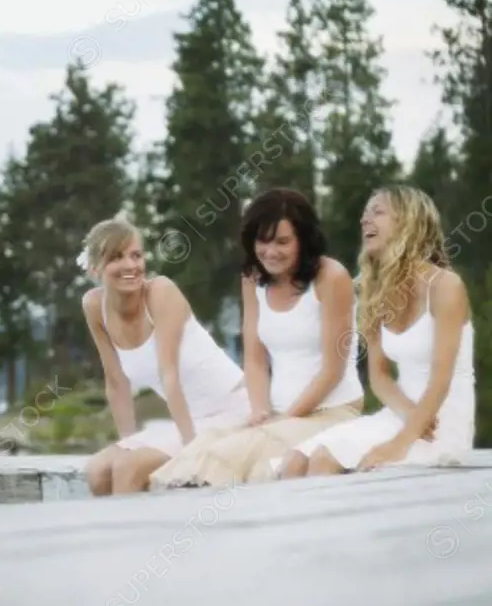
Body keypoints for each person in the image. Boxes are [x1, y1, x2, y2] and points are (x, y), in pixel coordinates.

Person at [149, 188, 364, 489]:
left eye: (282, 241)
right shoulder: (253, 277)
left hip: (331, 413)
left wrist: (287, 418)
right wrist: (261, 411)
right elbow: (254, 358)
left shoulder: (332, 277)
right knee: (200, 449)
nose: (270, 251)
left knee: (233, 459)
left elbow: (332, 371)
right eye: (262, 241)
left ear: (304, 239)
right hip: (277, 415)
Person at [277, 185, 475, 477]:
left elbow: (440, 381)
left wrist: (400, 443)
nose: (364, 220)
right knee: (296, 460)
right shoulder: (374, 291)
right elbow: (379, 376)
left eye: (377, 212)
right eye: (364, 214)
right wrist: (407, 414)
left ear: (409, 221)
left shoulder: (446, 287)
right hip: (402, 413)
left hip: (441, 423)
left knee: (325, 462)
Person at [80, 217, 251, 496]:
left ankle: (136, 539)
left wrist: (191, 450)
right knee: (98, 471)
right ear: (95, 268)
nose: (130, 266)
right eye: (116, 257)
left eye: (136, 255)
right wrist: (129, 441)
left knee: (128, 468)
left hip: (232, 410)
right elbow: (116, 381)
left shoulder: (160, 292)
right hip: (190, 416)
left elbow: (169, 375)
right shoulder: (93, 306)